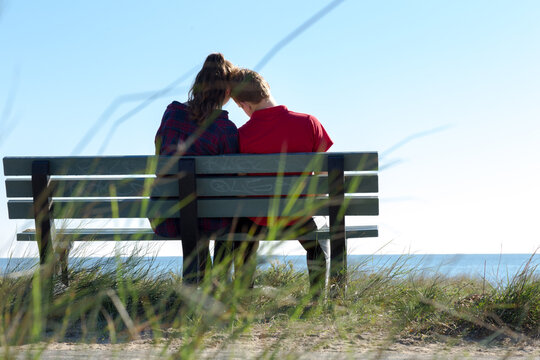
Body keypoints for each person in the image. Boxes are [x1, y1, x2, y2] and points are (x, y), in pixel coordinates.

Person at [230, 68, 333, 292]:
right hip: (299, 215)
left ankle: (242, 298)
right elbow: (323, 176)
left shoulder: (241, 135)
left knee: (242, 231)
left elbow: (239, 182)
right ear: (267, 90)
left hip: (258, 218)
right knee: (319, 236)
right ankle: (317, 299)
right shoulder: (309, 123)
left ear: (244, 105)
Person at [151, 53, 238, 285]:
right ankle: (218, 285)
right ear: (227, 92)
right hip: (211, 219)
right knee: (224, 211)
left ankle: (197, 283)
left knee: (195, 211)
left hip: (167, 215)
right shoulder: (226, 129)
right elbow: (232, 179)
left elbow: (160, 152)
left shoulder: (172, 113)